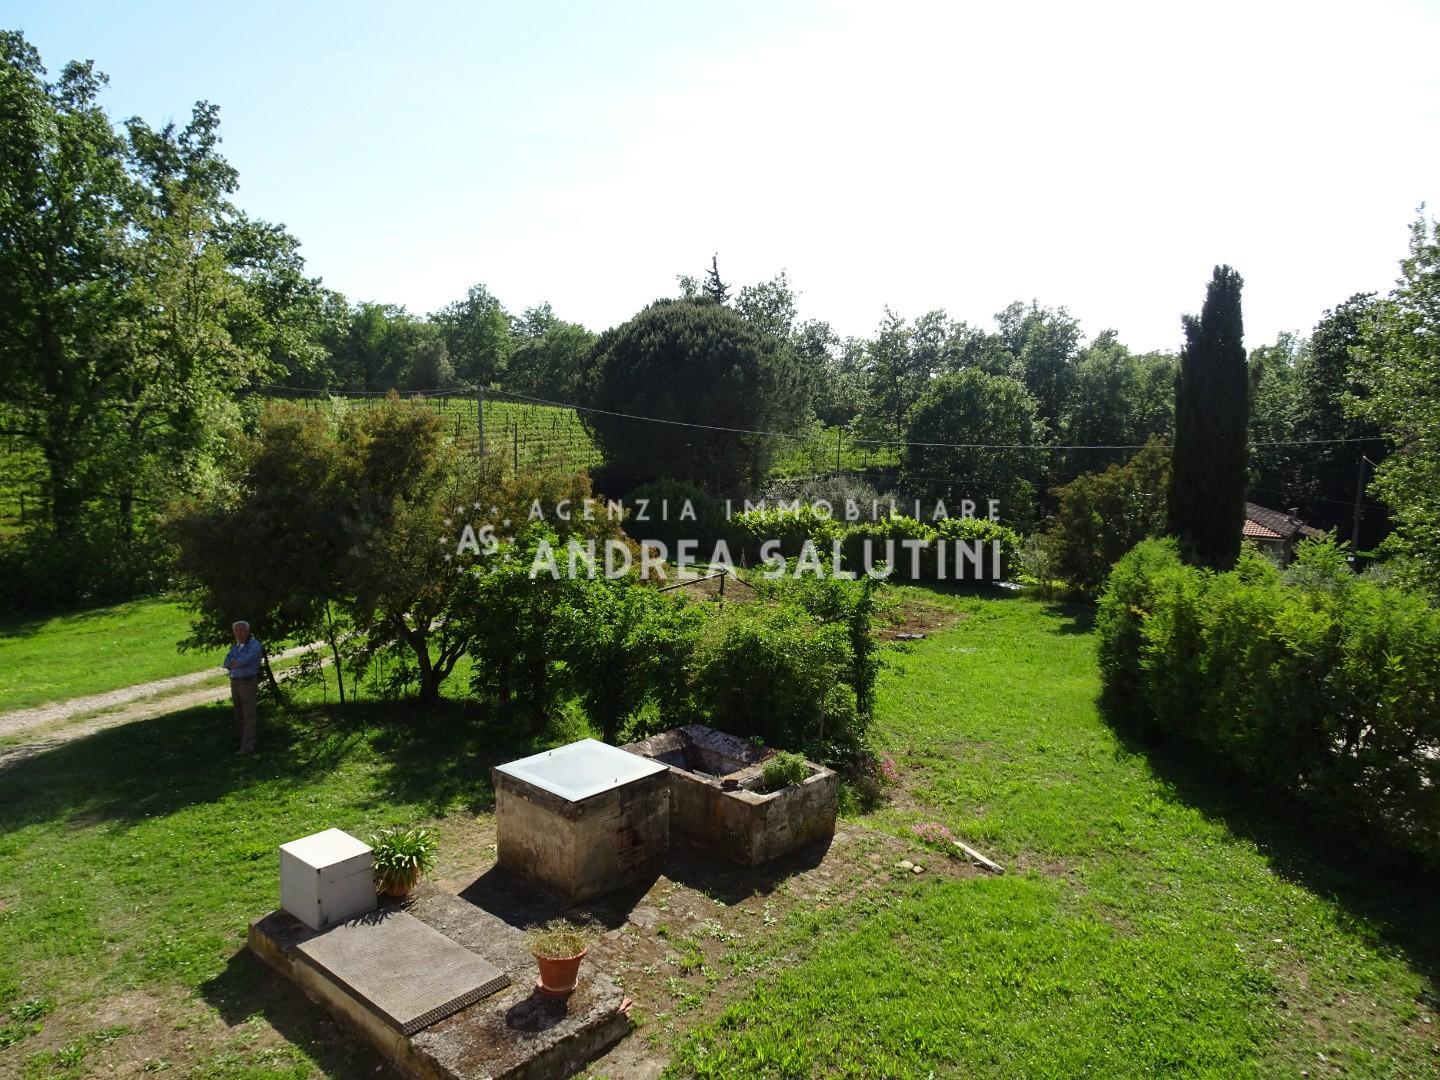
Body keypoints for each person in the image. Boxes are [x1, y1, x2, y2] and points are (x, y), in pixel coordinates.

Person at [223, 620, 262, 753]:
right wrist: (233, 663)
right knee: (238, 712)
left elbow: (247, 659)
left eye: (242, 630)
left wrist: (236, 662)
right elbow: (227, 661)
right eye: (237, 630)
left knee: (248, 713)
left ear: (247, 631)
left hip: (247, 682)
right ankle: (245, 739)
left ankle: (247, 746)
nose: (239, 632)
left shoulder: (254, 644)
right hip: (235, 682)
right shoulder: (236, 646)